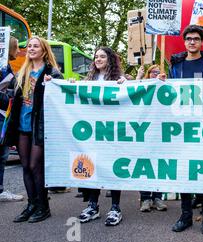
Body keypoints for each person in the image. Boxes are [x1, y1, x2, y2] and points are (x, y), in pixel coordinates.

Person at [0, 37, 63, 222]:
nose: (31, 49)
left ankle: (43, 206)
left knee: (36, 166)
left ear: (44, 51)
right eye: (29, 46)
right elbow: (10, 100)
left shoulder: (52, 73)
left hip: (40, 127)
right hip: (21, 126)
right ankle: (31, 204)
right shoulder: (22, 73)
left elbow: (62, 97)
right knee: (26, 167)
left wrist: (52, 85)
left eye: (36, 46)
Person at [169, 24, 203, 235]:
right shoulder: (176, 66)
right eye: (188, 38)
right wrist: (164, 83)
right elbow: (169, 95)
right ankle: (185, 216)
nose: (192, 42)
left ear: (202, 42)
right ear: (184, 42)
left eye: (196, 39)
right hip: (182, 126)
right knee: (184, 172)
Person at [77, 47, 126, 226]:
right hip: (93, 133)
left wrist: (125, 84)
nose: (98, 59)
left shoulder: (118, 79)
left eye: (102, 56)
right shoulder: (89, 79)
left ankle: (115, 207)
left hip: (112, 133)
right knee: (92, 166)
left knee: (114, 168)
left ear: (110, 59)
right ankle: (93, 205)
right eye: (96, 56)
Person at [135, 64, 167, 212]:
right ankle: (145, 198)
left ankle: (158, 197)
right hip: (145, 133)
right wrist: (138, 78)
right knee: (144, 166)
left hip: (160, 134)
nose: (156, 74)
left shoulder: (165, 87)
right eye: (153, 72)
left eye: (158, 72)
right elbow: (132, 95)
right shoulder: (143, 87)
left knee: (160, 165)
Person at [0, 36, 24, 202]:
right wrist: (11, 97)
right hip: (2, 115)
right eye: (16, 48)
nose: (19, 51)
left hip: (3, 116)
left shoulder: (6, 66)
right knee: (2, 154)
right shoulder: (3, 68)